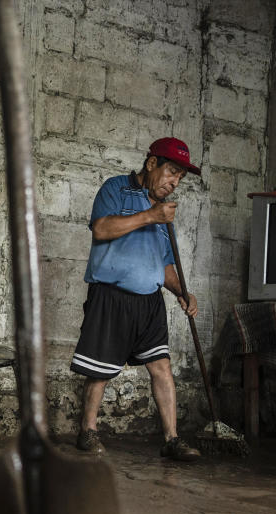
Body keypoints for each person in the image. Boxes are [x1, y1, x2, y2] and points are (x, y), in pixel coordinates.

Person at [70, 137, 202, 461]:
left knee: (161, 367)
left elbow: (166, 264)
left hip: (149, 302)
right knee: (99, 370)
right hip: (111, 296)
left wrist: (182, 292)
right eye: (171, 172)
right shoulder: (116, 189)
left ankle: (171, 439)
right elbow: (101, 229)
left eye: (180, 178)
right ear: (151, 163)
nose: (174, 183)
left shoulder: (165, 217)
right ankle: (87, 431)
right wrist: (149, 216)